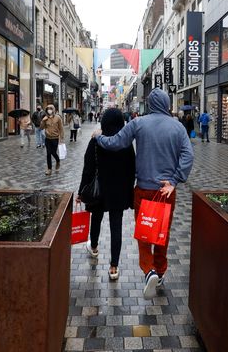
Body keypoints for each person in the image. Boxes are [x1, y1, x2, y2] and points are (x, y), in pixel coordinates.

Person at [93, 88, 194, 300]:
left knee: (145, 232)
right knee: (161, 234)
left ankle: (149, 271)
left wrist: (99, 138)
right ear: (167, 104)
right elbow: (188, 155)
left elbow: (116, 143)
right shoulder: (177, 127)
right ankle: (161, 271)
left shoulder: (139, 123)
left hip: (144, 189)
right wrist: (175, 180)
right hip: (166, 191)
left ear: (149, 104)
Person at [77, 108, 136, 281]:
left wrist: (81, 191)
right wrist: (128, 189)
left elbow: (87, 169)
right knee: (116, 227)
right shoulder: (125, 142)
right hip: (118, 192)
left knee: (96, 218)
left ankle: (94, 247)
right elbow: (131, 169)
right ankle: (114, 267)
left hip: (99, 190)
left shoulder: (96, 140)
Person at [39, 104, 64, 175]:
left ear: (53, 110)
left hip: (55, 138)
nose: (49, 110)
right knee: (48, 154)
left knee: (53, 152)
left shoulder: (58, 118)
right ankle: (49, 169)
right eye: (48, 109)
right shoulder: (45, 118)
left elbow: (61, 128)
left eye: (50, 109)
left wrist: (61, 138)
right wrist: (43, 121)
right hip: (48, 139)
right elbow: (41, 128)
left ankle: (58, 161)